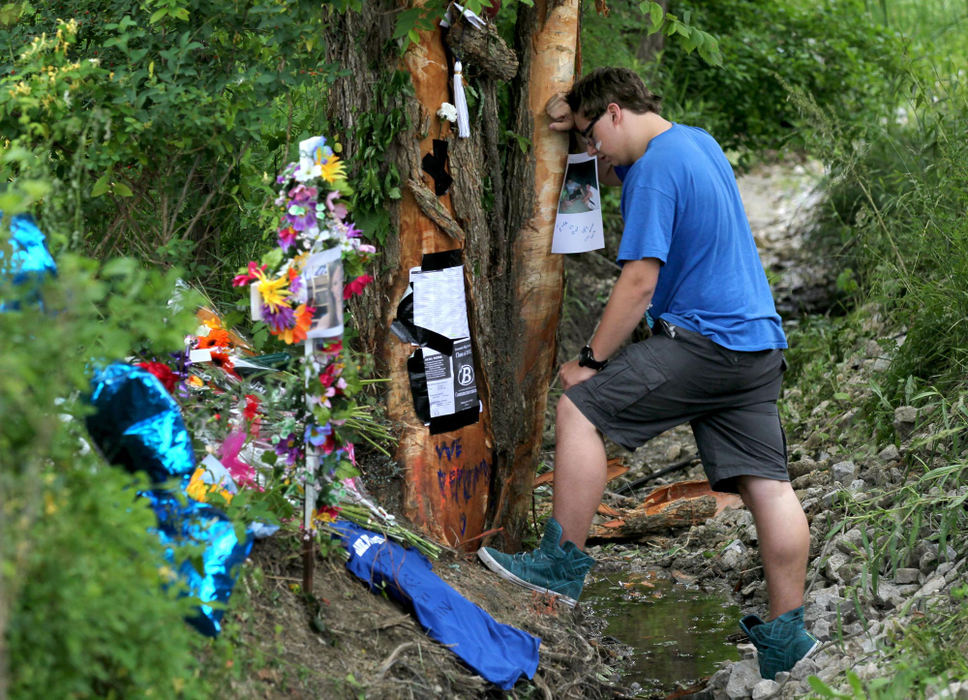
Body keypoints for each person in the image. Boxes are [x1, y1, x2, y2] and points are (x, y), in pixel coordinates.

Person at [477, 67, 818, 680]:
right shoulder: (697, 143)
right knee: (769, 484)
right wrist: (568, 113)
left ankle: (560, 568)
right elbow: (619, 162)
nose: (590, 152)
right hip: (757, 347)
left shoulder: (656, 170)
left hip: (705, 343)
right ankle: (788, 638)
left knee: (578, 409)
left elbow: (639, 282)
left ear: (613, 112)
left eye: (591, 136)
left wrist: (592, 362)